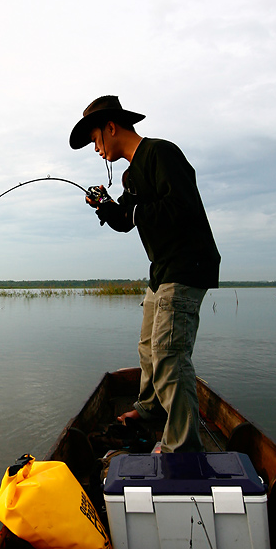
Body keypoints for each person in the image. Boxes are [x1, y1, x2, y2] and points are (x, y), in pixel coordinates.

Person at [69, 95, 220, 453]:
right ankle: (150, 408)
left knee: (169, 355)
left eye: (94, 139)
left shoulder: (161, 153)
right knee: (149, 347)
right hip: (162, 271)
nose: (95, 148)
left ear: (111, 127)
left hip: (187, 265)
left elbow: (180, 207)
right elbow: (127, 218)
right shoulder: (130, 175)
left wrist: (131, 212)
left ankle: (182, 449)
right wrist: (106, 207)